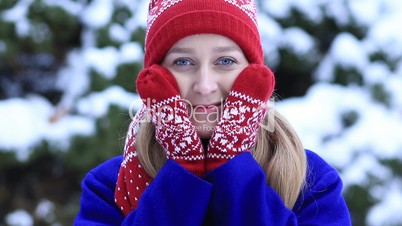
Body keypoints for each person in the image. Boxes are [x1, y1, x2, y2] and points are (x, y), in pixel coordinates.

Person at [74, 0, 352, 225]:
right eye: (183, 61)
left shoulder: (311, 181)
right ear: (155, 75)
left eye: (225, 61)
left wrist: (231, 161)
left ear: (253, 73)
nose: (205, 85)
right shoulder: (107, 188)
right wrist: (183, 169)